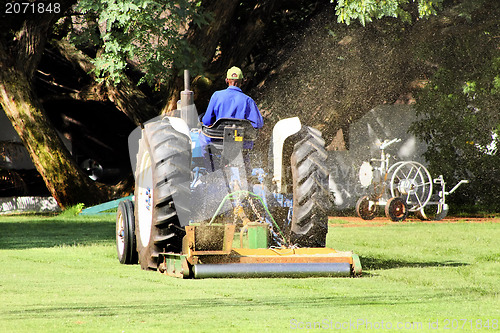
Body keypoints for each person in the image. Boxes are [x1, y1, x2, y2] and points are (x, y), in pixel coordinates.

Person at [199, 66, 263, 170]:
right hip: (240, 142)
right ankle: (246, 171)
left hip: (218, 140)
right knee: (246, 146)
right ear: (242, 81)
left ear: (227, 80)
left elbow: (206, 121)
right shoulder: (248, 100)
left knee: (202, 137)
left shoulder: (217, 96)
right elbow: (258, 124)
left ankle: (210, 170)